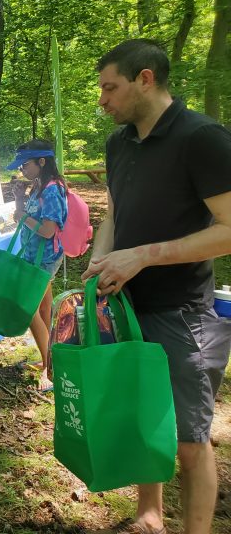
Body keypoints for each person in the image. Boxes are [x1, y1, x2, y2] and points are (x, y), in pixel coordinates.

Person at [82, 38, 231, 534]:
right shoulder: (118, 141)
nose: (102, 99)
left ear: (145, 78)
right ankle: (149, 510)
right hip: (124, 305)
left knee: (190, 440)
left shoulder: (202, 137)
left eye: (110, 87)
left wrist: (144, 256)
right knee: (143, 417)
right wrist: (103, 257)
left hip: (182, 312)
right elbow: (117, 208)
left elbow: (229, 228)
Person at [8, 140, 68, 391]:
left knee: (28, 309)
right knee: (44, 309)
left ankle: (50, 368)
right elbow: (21, 216)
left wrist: (24, 217)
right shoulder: (37, 186)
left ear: (42, 162)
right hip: (33, 257)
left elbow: (47, 230)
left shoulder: (52, 190)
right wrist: (19, 199)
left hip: (44, 259)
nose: (22, 170)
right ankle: (48, 359)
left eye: (26, 165)